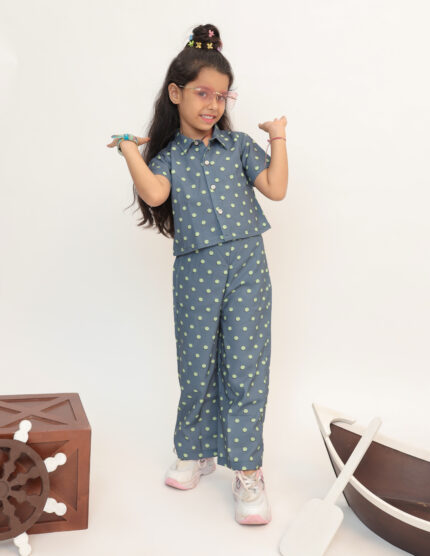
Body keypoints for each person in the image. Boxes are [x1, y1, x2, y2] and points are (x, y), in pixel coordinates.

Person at [107, 23, 288, 525]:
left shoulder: (238, 147)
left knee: (245, 365)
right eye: (202, 93)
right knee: (196, 363)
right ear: (176, 93)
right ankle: (195, 450)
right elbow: (154, 194)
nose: (213, 105)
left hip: (248, 264)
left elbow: (275, 189)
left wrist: (277, 137)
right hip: (195, 270)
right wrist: (130, 151)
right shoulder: (169, 158)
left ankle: (247, 470)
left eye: (221, 96)